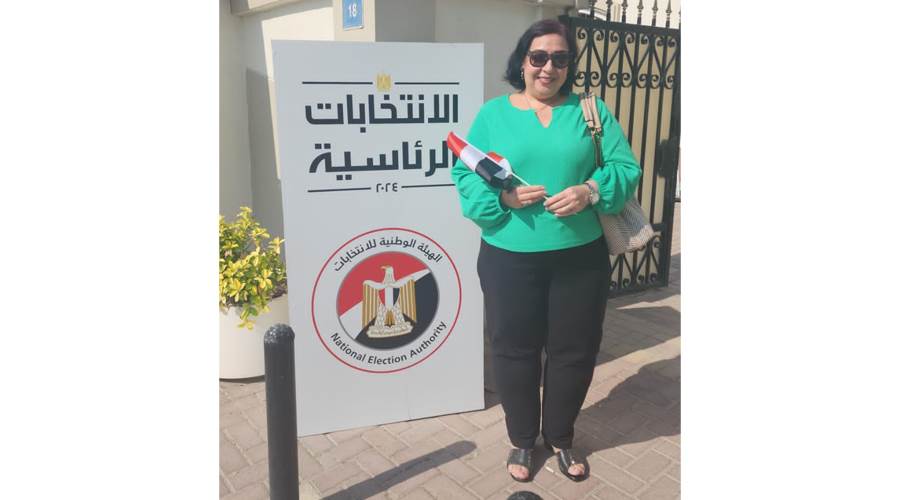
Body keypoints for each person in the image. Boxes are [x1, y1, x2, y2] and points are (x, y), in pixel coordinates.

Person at [450, 19, 641, 483]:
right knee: (513, 349)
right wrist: (504, 198)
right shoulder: (493, 115)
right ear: (522, 61)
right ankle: (521, 438)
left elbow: (625, 166)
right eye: (538, 57)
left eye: (560, 58)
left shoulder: (591, 111)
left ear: (569, 65)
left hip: (580, 258)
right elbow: (466, 173)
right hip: (508, 258)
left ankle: (560, 436)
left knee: (574, 350)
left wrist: (590, 191)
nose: (548, 67)